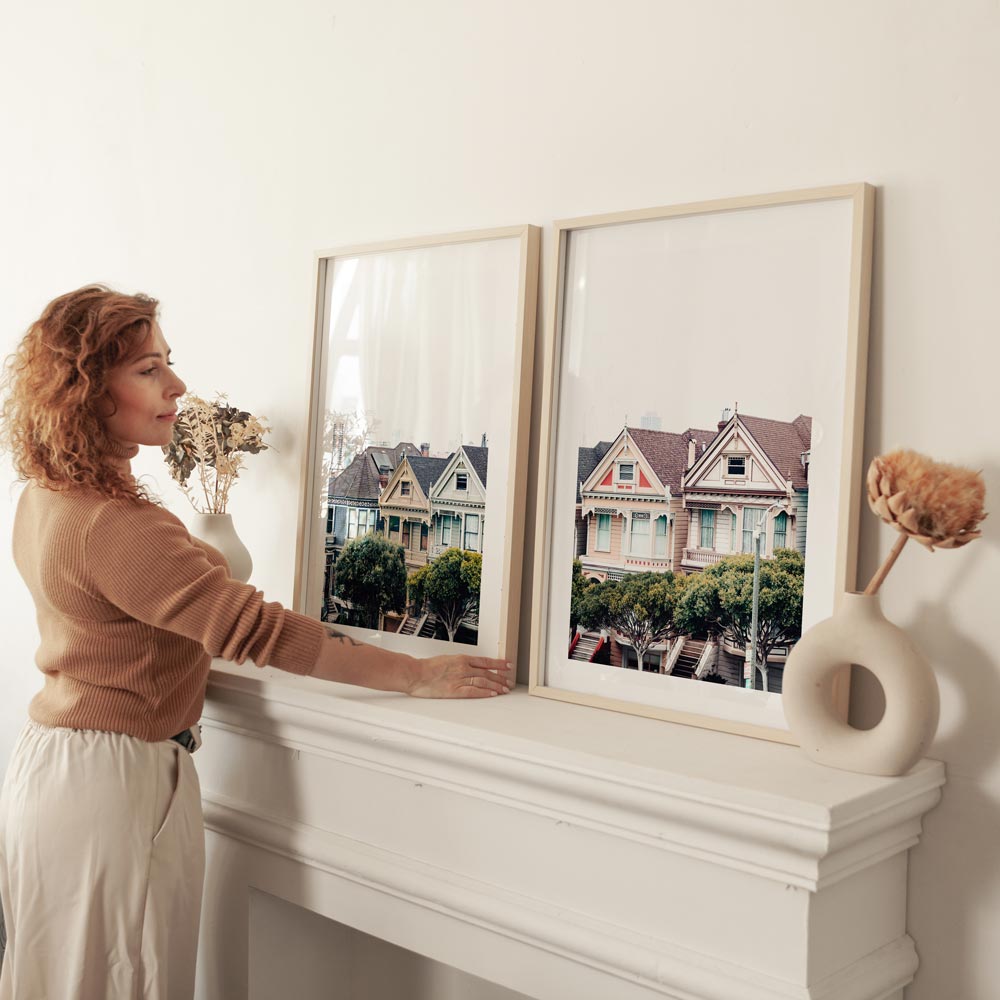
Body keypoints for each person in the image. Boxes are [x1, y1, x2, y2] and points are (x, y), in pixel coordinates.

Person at [0, 285, 512, 1000]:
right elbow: (256, 632)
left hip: (56, 770)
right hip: (112, 787)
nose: (176, 384)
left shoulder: (47, 495)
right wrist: (415, 676)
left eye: (168, 362)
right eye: (148, 369)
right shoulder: (114, 525)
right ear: (85, 390)